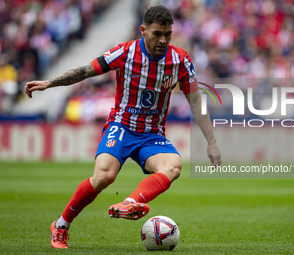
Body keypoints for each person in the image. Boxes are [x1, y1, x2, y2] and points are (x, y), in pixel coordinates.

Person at [25, 6, 221, 249]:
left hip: (151, 135)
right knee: (104, 176)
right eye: (157, 33)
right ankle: (61, 225)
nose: (163, 40)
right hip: (122, 127)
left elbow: (196, 101)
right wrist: (49, 83)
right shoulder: (126, 52)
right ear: (143, 30)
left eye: (168, 35)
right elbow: (86, 71)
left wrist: (211, 143)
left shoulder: (180, 59)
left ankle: (129, 202)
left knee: (173, 166)